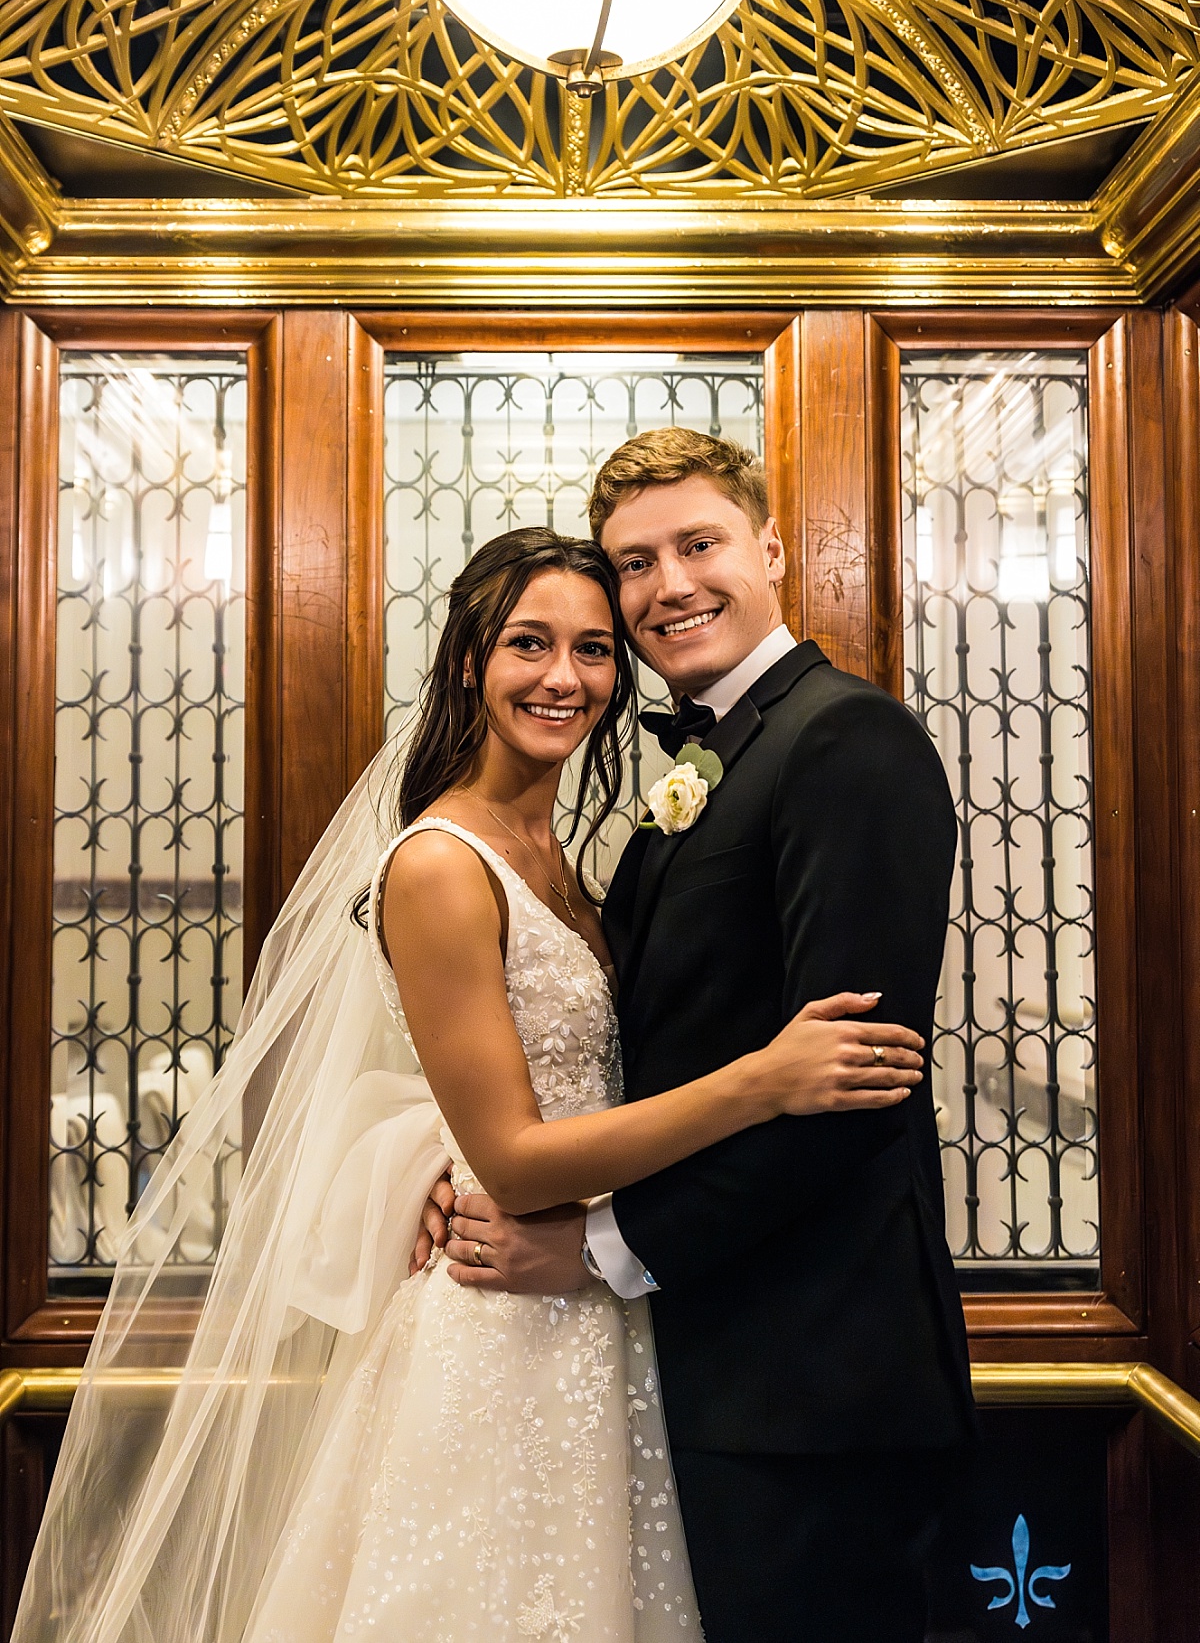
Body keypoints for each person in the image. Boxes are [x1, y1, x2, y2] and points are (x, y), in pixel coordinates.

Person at [13, 527, 926, 1643]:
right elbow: (513, 1154)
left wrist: (423, 1158)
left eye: (594, 649)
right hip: (505, 1342)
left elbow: (508, 1084)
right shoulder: (442, 863)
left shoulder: (560, 853)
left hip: (607, 1314)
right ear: (466, 661)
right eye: (529, 643)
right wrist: (763, 1079)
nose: (565, 676)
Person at [433, 433, 978, 1643]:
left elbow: (850, 1092)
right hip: (704, 1364)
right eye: (636, 564)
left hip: (812, 1382)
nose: (668, 586)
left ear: (771, 548)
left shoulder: (846, 740)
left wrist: (599, 1246)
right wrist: (473, 1158)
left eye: (698, 545)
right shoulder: (709, 760)